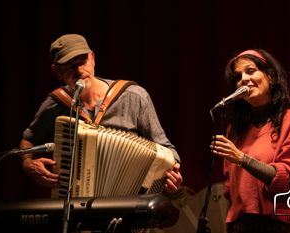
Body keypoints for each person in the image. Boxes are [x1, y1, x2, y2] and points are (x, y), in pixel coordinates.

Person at [20, 33, 183, 199]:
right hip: (76, 208)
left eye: (82, 61)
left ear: (92, 58)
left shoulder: (133, 97)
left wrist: (171, 175)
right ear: (56, 71)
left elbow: (167, 150)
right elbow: (29, 139)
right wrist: (28, 164)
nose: (79, 70)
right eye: (70, 66)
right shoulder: (55, 104)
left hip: (129, 205)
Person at [210, 49, 290, 233]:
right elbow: (228, 187)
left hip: (279, 223)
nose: (244, 79)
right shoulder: (235, 129)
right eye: (238, 76)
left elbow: (286, 180)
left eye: (250, 71)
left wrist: (241, 158)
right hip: (240, 225)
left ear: (270, 76)